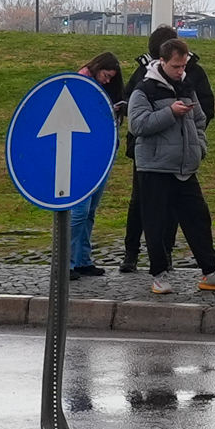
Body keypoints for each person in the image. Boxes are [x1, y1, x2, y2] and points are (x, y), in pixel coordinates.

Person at [122, 34, 215, 294]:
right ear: (162, 62)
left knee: (198, 219)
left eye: (183, 66)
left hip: (185, 168)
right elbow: (138, 125)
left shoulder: (187, 87)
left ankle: (211, 272)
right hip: (154, 168)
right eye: (176, 66)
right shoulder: (145, 88)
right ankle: (159, 275)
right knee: (156, 223)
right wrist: (170, 112)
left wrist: (199, 146)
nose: (180, 71)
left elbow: (199, 119)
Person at [65, 50, 127, 277]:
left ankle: (81, 259)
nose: (107, 80)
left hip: (101, 154)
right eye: (106, 75)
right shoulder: (80, 84)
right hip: (83, 155)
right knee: (80, 211)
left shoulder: (98, 86)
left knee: (89, 211)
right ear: (97, 67)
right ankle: (66, 261)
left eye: (111, 78)